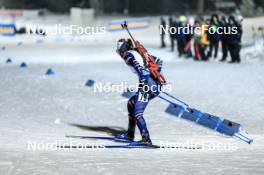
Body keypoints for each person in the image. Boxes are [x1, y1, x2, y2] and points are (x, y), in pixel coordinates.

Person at [115, 38, 163, 145]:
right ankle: (130, 134)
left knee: (138, 113)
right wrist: (154, 76)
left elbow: (139, 69)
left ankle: (146, 139)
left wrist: (144, 82)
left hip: (148, 85)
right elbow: (159, 62)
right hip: (153, 84)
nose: (117, 52)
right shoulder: (137, 52)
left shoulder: (128, 55)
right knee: (131, 103)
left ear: (122, 49)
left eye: (118, 49)